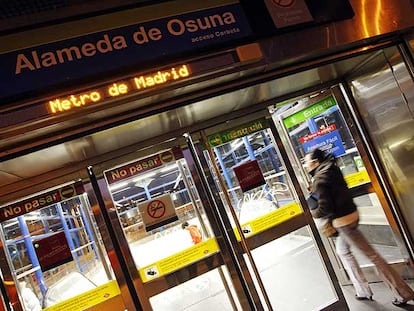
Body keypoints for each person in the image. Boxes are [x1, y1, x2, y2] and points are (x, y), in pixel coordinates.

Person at [304, 148, 414, 306]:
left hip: (343, 222)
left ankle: (403, 293)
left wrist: (312, 212)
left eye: (307, 162)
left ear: (315, 162)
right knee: (343, 251)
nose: (306, 166)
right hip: (352, 214)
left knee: (373, 256)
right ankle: (362, 290)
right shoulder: (332, 168)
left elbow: (325, 208)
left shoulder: (320, 178)